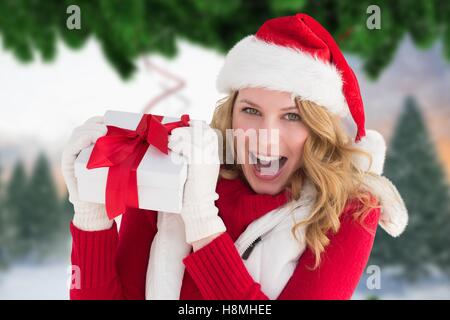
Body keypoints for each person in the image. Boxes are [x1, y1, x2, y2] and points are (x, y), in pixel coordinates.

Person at [62, 13, 408, 300]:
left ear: (318, 128)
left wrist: (203, 224)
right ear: (230, 115)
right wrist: (91, 218)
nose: (265, 137)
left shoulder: (352, 209)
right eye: (250, 110)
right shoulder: (174, 171)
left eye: (292, 115)